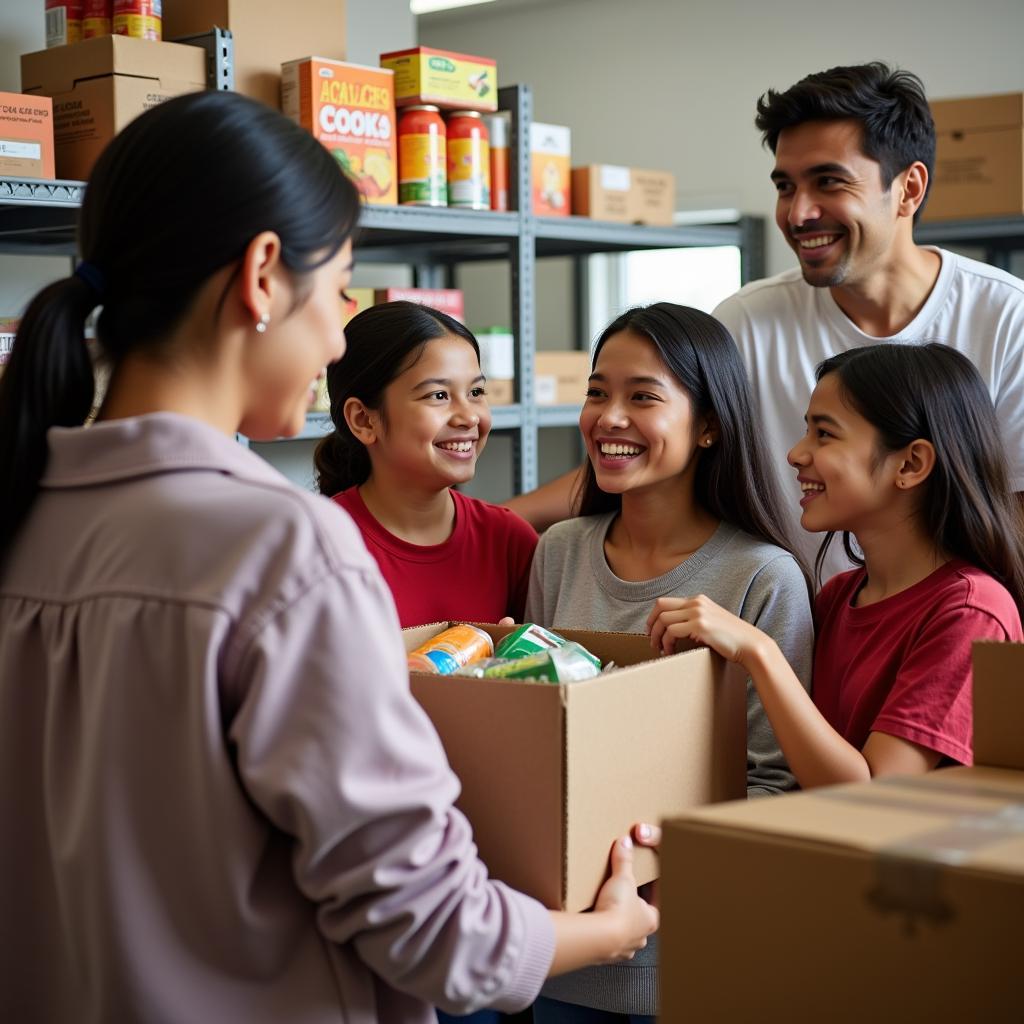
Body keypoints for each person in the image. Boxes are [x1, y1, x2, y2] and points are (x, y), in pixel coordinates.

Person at [0, 90, 658, 1024]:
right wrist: (602, 930)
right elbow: (431, 928)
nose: (342, 333)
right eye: (343, 283)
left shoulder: (28, 511)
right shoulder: (282, 545)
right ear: (265, 276)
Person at [507, 62, 1024, 584]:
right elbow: (647, 442)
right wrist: (497, 522)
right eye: (784, 186)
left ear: (908, 189)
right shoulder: (747, 320)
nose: (798, 214)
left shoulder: (1006, 319)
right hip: (795, 621)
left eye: (828, 182)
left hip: (940, 637)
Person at [526, 303, 814, 1023]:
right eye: (597, 392)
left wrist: (653, 857)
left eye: (642, 396)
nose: (609, 417)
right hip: (562, 959)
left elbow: (781, 784)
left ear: (709, 425)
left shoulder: (762, 577)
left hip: (697, 958)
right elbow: (531, 742)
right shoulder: (558, 551)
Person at [649, 343, 1024, 790]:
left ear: (911, 463)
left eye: (824, 434)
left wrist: (759, 652)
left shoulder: (970, 611)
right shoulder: (839, 596)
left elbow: (870, 795)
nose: (795, 454)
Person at [314, 300, 537, 629]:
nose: (469, 416)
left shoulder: (509, 540)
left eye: (476, 391)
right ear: (363, 420)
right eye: (439, 396)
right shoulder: (318, 545)